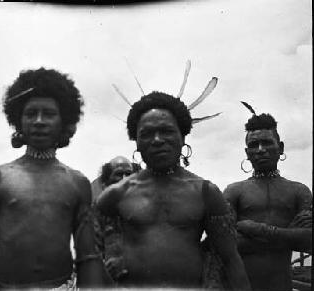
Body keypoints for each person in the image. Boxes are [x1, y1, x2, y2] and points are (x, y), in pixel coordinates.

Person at [0, 68, 102, 290]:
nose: (39, 121)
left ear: (64, 121)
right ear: (18, 121)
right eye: (31, 113)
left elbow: (88, 255)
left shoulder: (77, 182)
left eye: (49, 114)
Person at [96, 91, 250, 289]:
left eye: (166, 131)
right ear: (136, 141)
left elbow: (231, 260)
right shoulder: (115, 195)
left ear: (183, 136)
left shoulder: (205, 192)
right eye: (147, 134)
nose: (157, 140)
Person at [223, 106, 312, 291]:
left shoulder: (299, 191)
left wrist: (257, 229)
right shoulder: (234, 191)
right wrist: (288, 234)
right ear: (247, 153)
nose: (261, 149)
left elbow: (308, 241)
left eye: (267, 142)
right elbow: (226, 244)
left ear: (280, 148)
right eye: (254, 145)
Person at [91, 156, 140, 284]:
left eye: (129, 174)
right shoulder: (97, 212)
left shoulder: (146, 210)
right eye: (118, 174)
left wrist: (128, 260)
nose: (125, 179)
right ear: (106, 182)